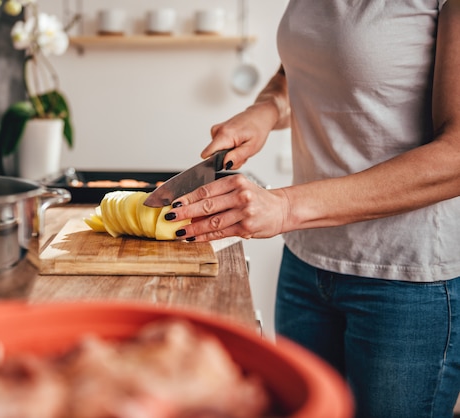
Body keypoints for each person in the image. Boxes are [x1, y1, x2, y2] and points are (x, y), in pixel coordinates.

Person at [164, 1, 460, 417]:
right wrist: (264, 111)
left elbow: (456, 155)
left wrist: (285, 207)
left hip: (405, 284)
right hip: (305, 268)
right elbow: (301, 71)